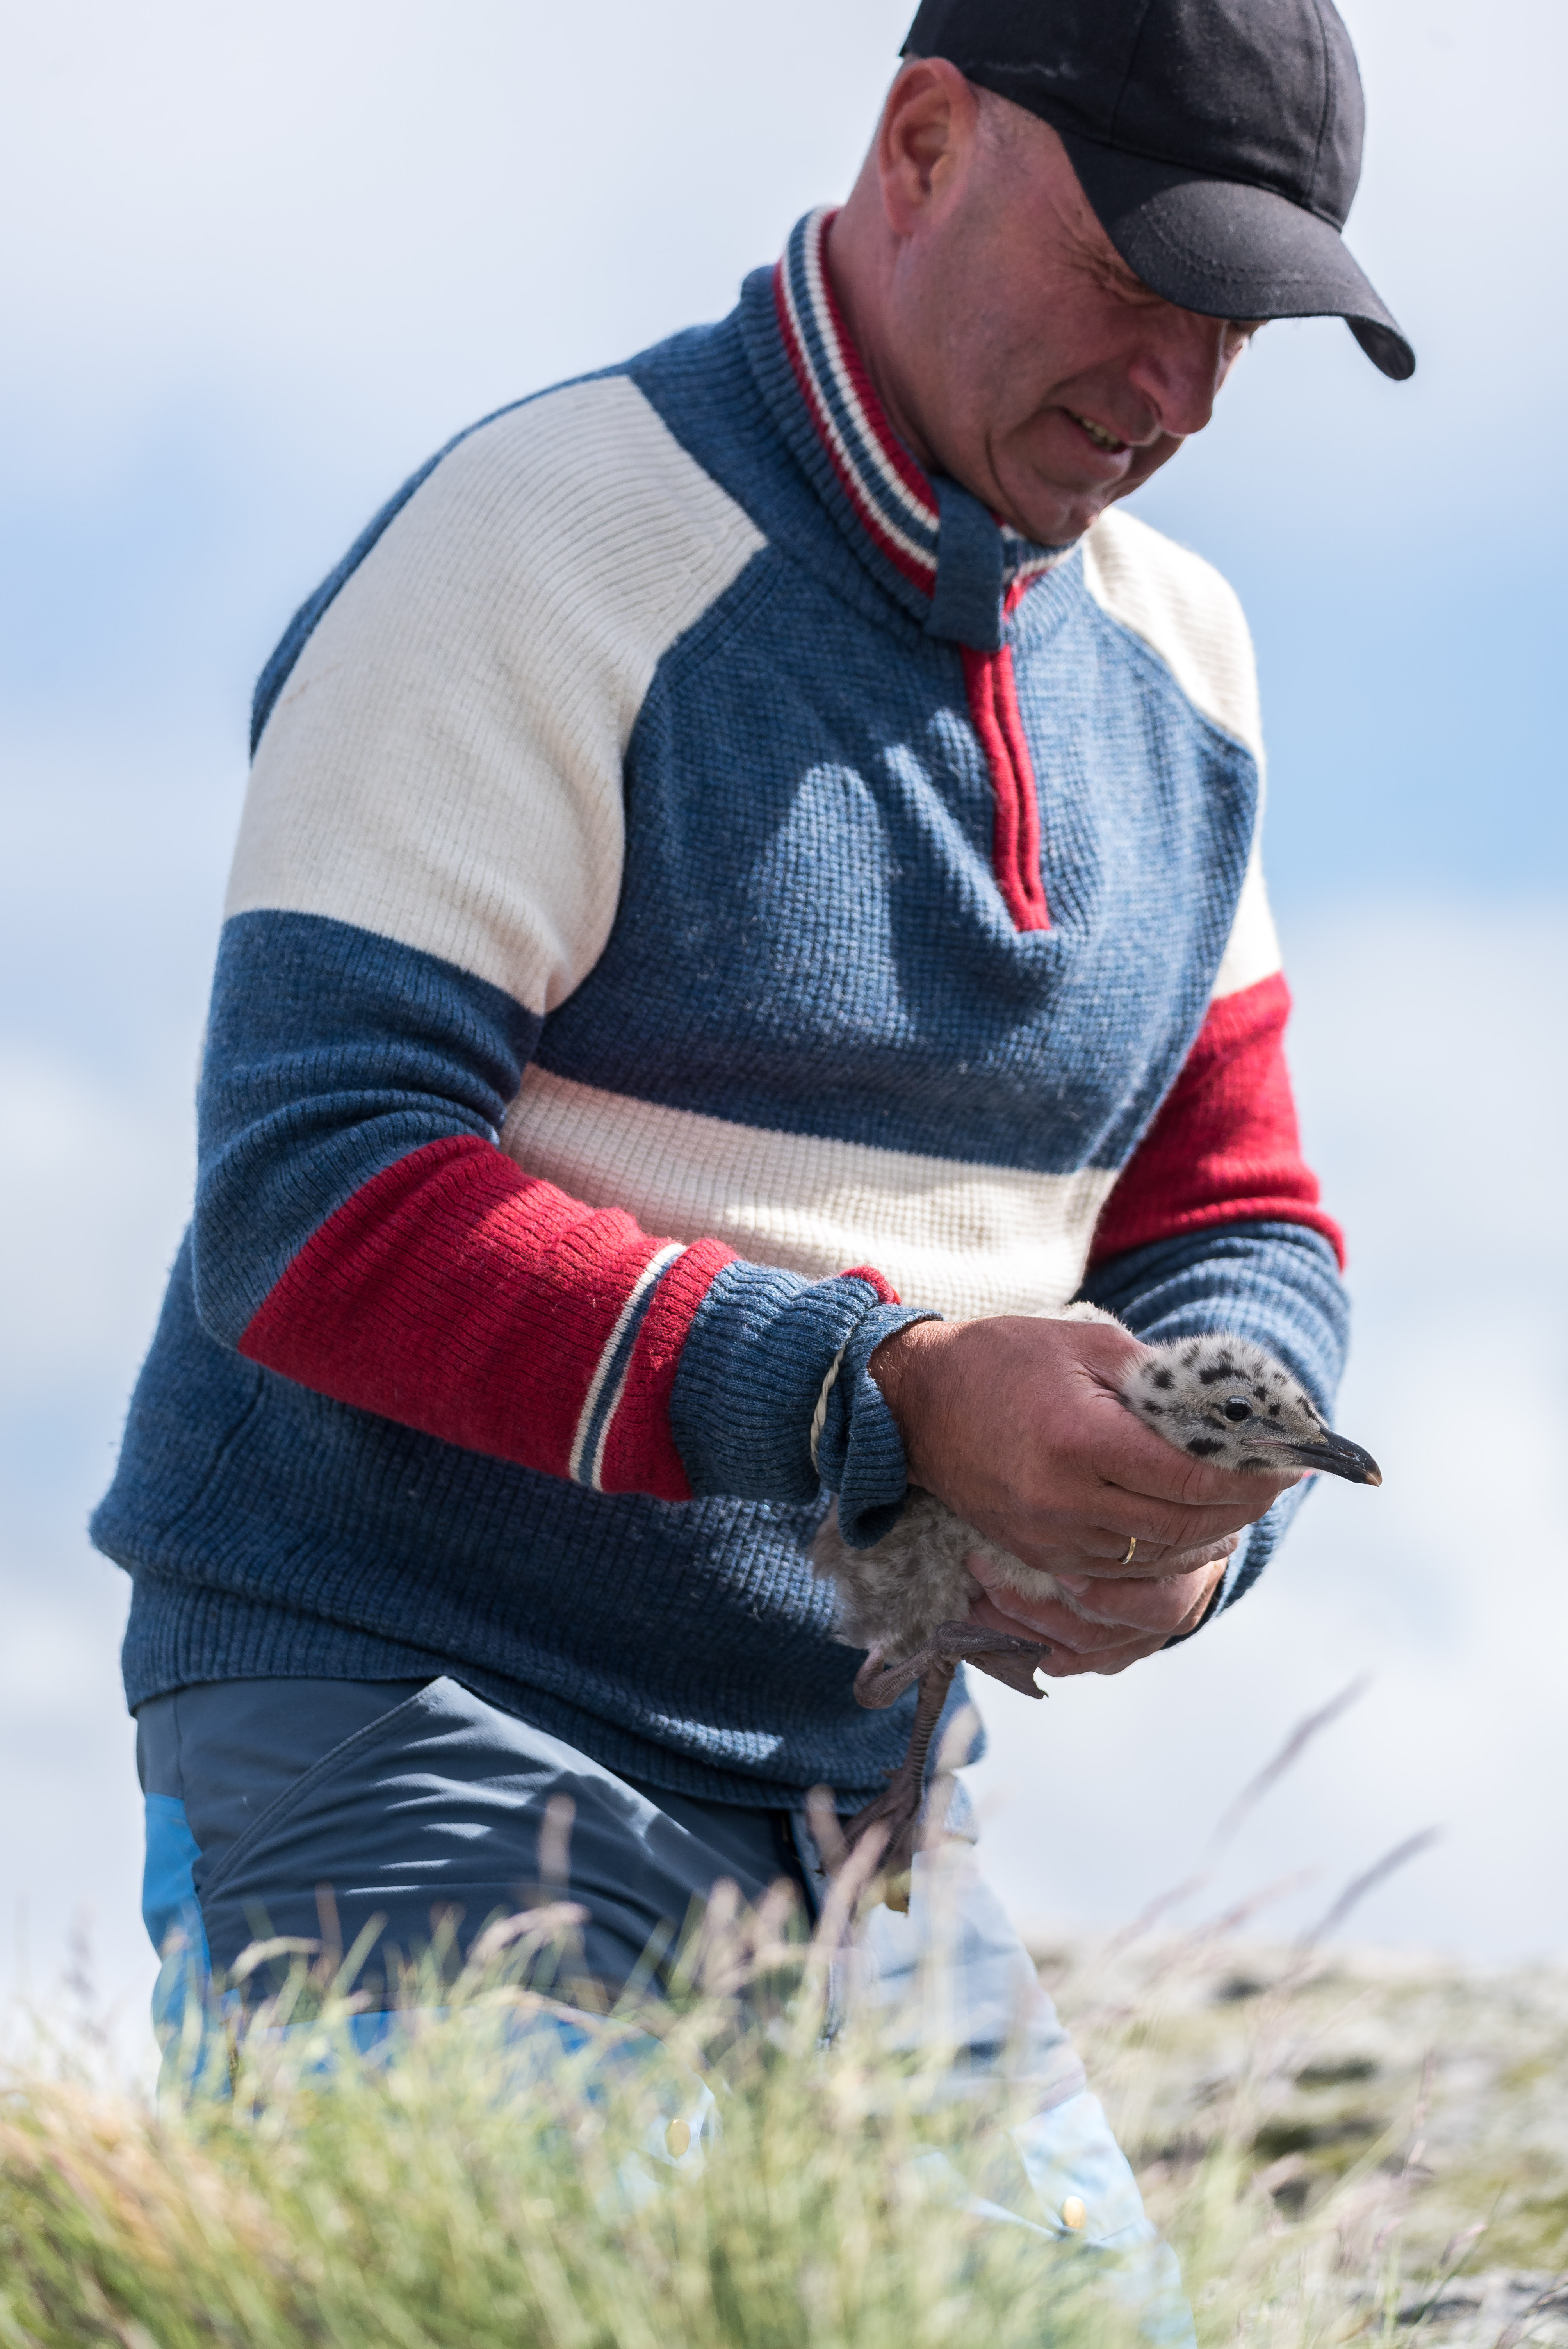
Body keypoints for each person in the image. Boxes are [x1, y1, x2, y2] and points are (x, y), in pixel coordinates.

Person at [93, 0, 1409, 2318]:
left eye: (1243, 326)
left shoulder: (1186, 663)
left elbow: (1239, 1216)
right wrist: (879, 1409)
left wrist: (1205, 1495)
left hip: (857, 1810)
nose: (1180, 386)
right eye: (1142, 278)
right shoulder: (549, 540)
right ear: (921, 141)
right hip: (416, 1718)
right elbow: (311, 1199)